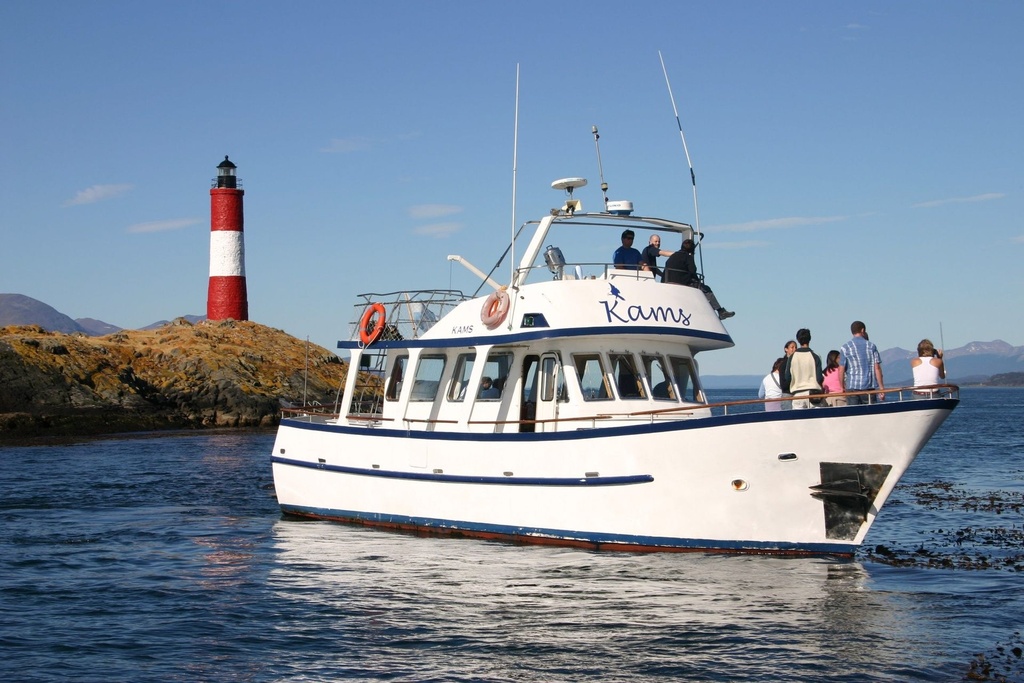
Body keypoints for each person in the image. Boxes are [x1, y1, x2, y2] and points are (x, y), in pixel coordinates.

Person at [663, 238, 735, 320]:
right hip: (682, 282)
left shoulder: (673, 256)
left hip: (667, 281)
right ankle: (720, 311)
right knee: (706, 289)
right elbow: (693, 270)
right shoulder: (688, 257)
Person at [838, 320, 885, 404]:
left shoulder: (845, 347)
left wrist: (842, 387)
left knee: (853, 414)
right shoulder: (871, 346)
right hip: (868, 387)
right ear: (862, 330)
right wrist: (881, 387)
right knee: (870, 414)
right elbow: (877, 368)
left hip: (852, 387)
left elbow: (841, 369)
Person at [781, 328, 823, 409]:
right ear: (809, 339)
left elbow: (787, 377)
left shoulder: (792, 357)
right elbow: (819, 378)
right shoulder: (815, 357)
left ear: (798, 340)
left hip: (798, 394)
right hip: (813, 393)